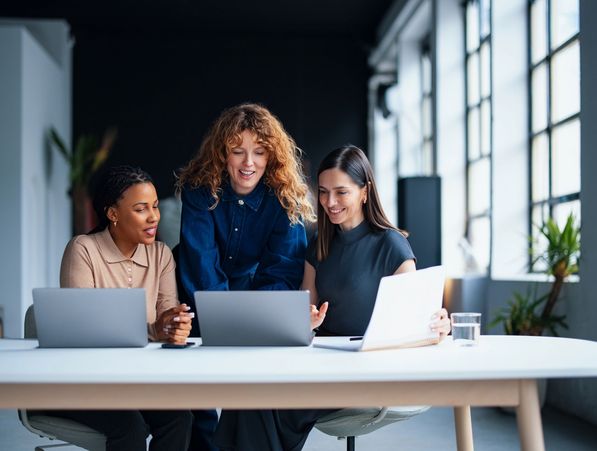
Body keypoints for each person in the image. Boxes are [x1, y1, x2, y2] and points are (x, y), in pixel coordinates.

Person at [214, 145, 451, 451]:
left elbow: (412, 324)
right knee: (249, 388)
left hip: (364, 370)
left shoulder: (392, 246)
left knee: (266, 401)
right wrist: (307, 322)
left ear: (365, 192)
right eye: (324, 192)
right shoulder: (319, 244)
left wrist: (437, 325)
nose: (329, 202)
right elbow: (305, 313)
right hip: (320, 362)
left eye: (341, 192)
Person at [176, 103, 316, 450]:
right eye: (237, 151)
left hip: (254, 292)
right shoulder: (199, 189)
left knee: (254, 384)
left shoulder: (285, 197)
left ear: (272, 156)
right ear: (222, 153)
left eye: (258, 152)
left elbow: (283, 269)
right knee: (199, 400)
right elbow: (200, 263)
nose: (248, 163)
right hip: (196, 291)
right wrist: (223, 320)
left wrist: (254, 322)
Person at [53, 165, 194, 451]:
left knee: (180, 418)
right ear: (113, 214)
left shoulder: (160, 254)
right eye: (141, 208)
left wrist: (175, 326)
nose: (154, 216)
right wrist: (154, 330)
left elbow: (166, 318)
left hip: (136, 380)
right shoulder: (83, 250)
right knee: (130, 427)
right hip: (82, 381)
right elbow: (82, 330)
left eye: (154, 206)